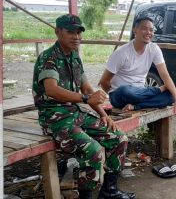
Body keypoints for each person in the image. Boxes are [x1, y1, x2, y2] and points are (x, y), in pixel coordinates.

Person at [32, 14, 135, 199]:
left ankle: (109, 191)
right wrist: (86, 98)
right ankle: (85, 196)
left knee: (118, 137)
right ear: (58, 32)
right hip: (55, 118)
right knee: (93, 149)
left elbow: (87, 88)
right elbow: (52, 90)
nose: (77, 36)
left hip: (74, 113)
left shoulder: (74, 57)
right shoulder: (49, 58)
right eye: (71, 32)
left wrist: (104, 115)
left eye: (79, 32)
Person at [99, 16, 176, 112]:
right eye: (144, 29)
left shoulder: (154, 49)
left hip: (141, 93)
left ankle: (135, 106)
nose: (148, 32)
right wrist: (113, 95)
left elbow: (165, 75)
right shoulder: (121, 53)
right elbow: (104, 81)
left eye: (151, 30)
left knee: (171, 95)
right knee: (126, 91)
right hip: (121, 95)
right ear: (135, 30)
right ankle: (157, 90)